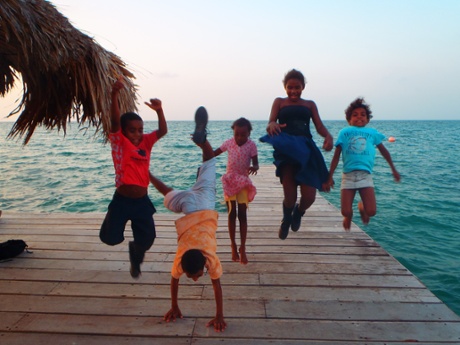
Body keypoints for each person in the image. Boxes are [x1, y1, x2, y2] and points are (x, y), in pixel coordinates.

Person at [149, 106, 226, 332]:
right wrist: (175, 306)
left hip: (204, 204)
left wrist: (176, 306)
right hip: (191, 207)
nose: (194, 279)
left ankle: (203, 143)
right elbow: (175, 280)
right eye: (195, 276)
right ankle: (201, 142)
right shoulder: (183, 257)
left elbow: (213, 285)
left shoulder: (207, 259)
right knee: (171, 192)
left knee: (210, 164)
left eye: (193, 276)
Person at [99, 77, 167, 279]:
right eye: (132, 130)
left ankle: (135, 255)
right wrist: (114, 94)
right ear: (123, 131)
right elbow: (114, 121)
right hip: (121, 200)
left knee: (147, 240)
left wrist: (159, 110)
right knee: (110, 239)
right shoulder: (119, 142)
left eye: (140, 130)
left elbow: (163, 130)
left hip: (141, 201)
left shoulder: (146, 142)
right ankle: (109, 223)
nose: (137, 134)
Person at [260, 69, 333, 240]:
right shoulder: (279, 102)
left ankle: (299, 213)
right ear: (285, 87)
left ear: (303, 87)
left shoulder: (310, 105)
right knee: (290, 196)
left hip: (306, 151)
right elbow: (271, 122)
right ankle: (286, 219)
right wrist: (271, 125)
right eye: (290, 87)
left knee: (309, 197)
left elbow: (319, 127)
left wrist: (328, 136)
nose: (293, 91)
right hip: (287, 151)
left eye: (297, 87)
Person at [325, 97, 401, 230]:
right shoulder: (345, 132)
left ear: (368, 119)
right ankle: (349, 216)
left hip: (365, 175)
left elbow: (384, 151)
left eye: (363, 115)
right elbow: (336, 156)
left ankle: (362, 207)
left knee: (371, 211)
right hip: (348, 175)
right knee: (345, 211)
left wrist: (393, 169)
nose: (359, 117)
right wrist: (329, 176)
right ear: (349, 120)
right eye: (355, 115)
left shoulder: (372, 133)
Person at [214, 117, 258, 265]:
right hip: (230, 181)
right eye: (236, 134)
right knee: (231, 214)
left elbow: (256, 163)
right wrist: (202, 144)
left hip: (243, 182)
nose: (239, 137)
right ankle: (233, 245)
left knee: (243, 215)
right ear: (233, 132)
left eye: (243, 134)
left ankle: (243, 248)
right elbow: (212, 153)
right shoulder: (228, 143)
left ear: (248, 133)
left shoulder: (251, 145)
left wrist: (255, 167)